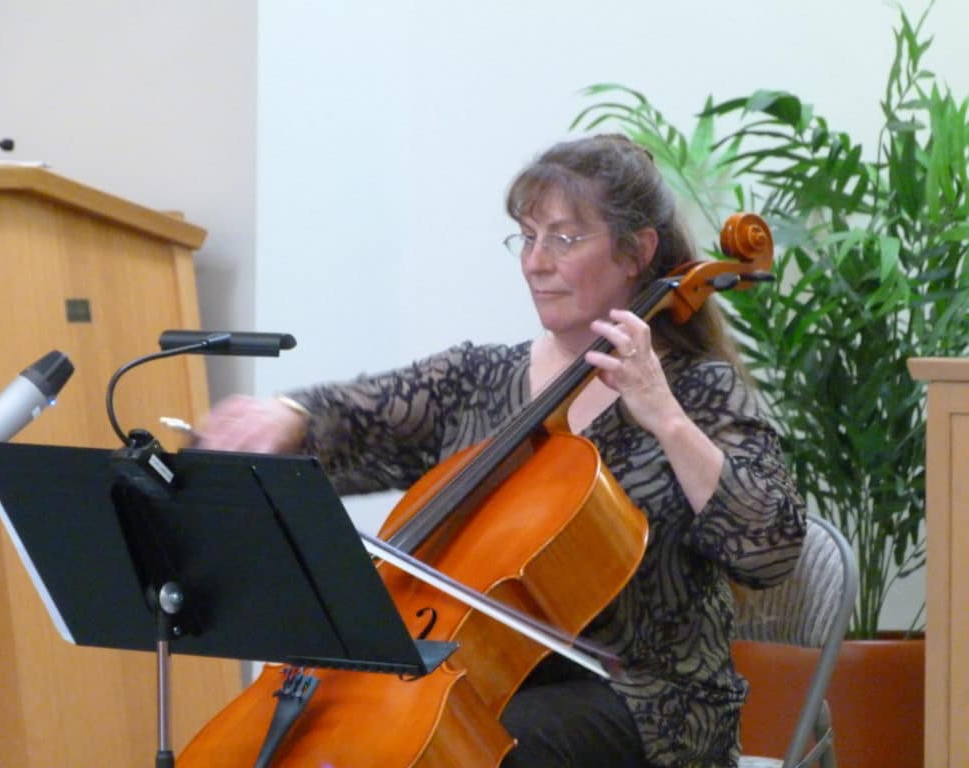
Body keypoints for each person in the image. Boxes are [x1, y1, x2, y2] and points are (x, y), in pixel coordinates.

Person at [196, 134, 806, 768]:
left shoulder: (699, 392)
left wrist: (666, 418)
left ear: (637, 252)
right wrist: (286, 417)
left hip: (647, 699)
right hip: (481, 674)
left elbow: (768, 546)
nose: (536, 262)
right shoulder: (479, 379)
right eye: (528, 236)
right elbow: (364, 414)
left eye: (564, 239)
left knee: (483, 751)